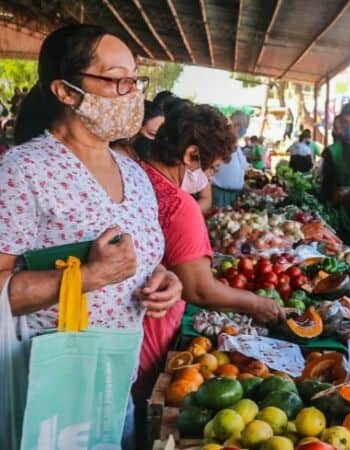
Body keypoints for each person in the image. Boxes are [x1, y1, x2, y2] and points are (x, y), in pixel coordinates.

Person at [0, 24, 182, 449]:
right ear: (65, 91)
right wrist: (88, 278)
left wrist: (163, 278)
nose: (132, 92)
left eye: (135, 79)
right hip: (47, 381)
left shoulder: (134, 174)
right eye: (117, 78)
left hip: (115, 376)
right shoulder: (24, 171)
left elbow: (141, 257)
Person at [136, 103, 283, 404]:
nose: (211, 179)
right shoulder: (180, 206)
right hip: (148, 334)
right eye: (213, 168)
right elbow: (199, 289)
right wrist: (256, 303)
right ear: (191, 156)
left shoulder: (137, 175)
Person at [321, 103, 350, 242]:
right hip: (338, 219)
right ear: (340, 123)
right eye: (346, 122)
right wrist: (333, 198)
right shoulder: (331, 152)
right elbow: (325, 187)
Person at [211, 110, 249, 207]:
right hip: (220, 194)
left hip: (235, 195)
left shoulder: (237, 145)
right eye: (245, 127)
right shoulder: (220, 143)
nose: (245, 131)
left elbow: (238, 173)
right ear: (236, 125)